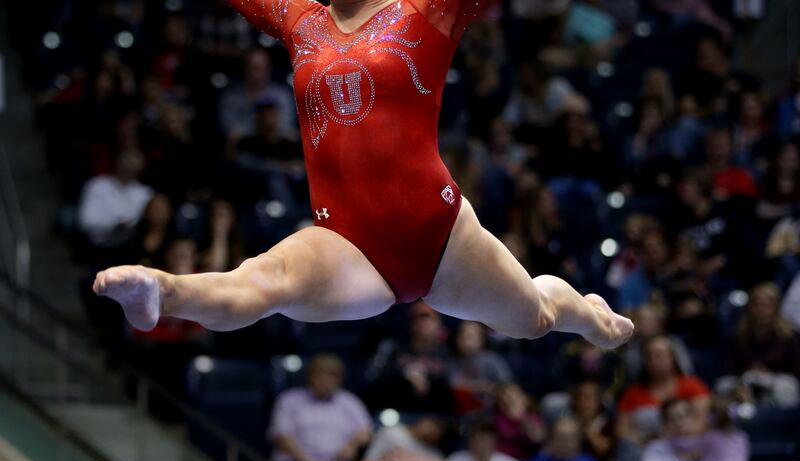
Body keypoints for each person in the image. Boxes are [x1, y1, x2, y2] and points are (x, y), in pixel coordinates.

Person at [92, 0, 634, 356]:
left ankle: (592, 318)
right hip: (347, 244)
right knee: (265, 281)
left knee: (535, 317)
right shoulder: (298, 18)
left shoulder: (427, 10)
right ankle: (160, 289)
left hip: (440, 231)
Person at [268, 353, 373, 461]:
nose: (326, 380)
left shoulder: (348, 401)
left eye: (332, 376)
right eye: (321, 374)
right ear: (311, 376)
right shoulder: (290, 400)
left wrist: (352, 445)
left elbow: (366, 431)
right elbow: (282, 437)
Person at [356, 415, 445, 461]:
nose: (430, 431)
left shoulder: (433, 451)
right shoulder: (392, 432)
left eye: (436, 430)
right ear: (424, 420)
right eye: (431, 425)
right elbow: (371, 458)